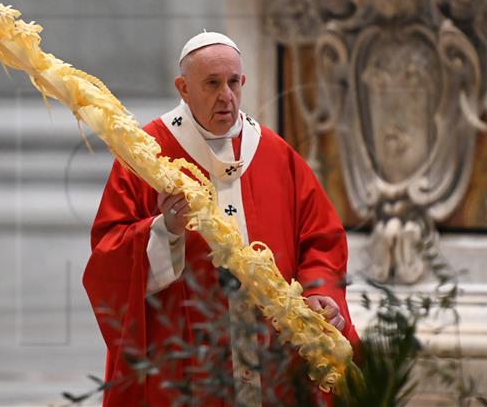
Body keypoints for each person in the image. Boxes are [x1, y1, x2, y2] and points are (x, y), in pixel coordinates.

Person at [82, 31, 359, 406]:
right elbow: (107, 256)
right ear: (183, 88)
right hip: (187, 357)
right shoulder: (147, 152)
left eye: (233, 82)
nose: (225, 95)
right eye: (212, 83)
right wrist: (165, 231)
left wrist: (320, 293)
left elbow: (321, 240)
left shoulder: (275, 154)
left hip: (270, 355)